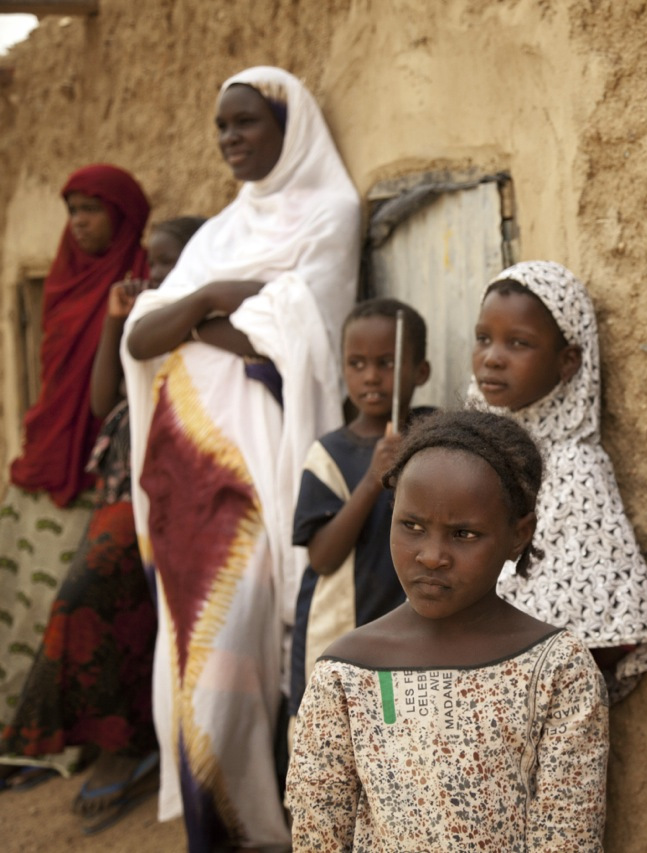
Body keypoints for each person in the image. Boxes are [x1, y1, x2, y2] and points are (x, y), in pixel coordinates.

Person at [121, 67, 360, 851]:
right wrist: (209, 297)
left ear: (289, 125)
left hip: (258, 465)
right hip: (179, 464)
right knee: (193, 647)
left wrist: (192, 318)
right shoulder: (218, 233)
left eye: (246, 121)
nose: (230, 138)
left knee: (239, 643)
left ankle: (262, 826)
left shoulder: (330, 212)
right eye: (222, 125)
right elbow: (141, 336)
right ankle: (220, 832)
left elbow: (298, 339)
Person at [286, 409, 609, 850]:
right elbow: (318, 838)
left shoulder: (558, 670)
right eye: (412, 527)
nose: (432, 556)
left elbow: (568, 838)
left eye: (464, 534)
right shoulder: (345, 675)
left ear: (519, 535)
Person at [0, 217, 204, 833]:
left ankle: (133, 744)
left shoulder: (209, 321)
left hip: (182, 490)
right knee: (87, 598)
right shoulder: (145, 321)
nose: (157, 274)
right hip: (123, 485)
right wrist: (118, 320)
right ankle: (106, 740)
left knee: (138, 607)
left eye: (170, 262)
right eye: (153, 262)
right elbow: (100, 403)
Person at [0, 165, 150, 794]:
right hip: (42, 465)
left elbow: (108, 394)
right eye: (73, 210)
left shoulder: (142, 279)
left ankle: (62, 740)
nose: (80, 222)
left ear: (122, 215)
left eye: (92, 209)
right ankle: (19, 729)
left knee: (68, 606)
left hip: (100, 476)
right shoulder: (62, 280)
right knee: (20, 606)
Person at [467, 260, 647, 702]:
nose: (492, 357)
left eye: (518, 343)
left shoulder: (573, 470)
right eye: (483, 338)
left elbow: (599, 627)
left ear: (568, 362)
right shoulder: (470, 456)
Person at [289, 298, 433, 716]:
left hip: (415, 632)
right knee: (341, 730)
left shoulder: (436, 436)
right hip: (342, 629)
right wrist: (373, 479)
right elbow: (322, 557)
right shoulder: (328, 455)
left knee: (401, 726)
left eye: (386, 363)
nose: (370, 376)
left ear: (420, 372)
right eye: (357, 363)